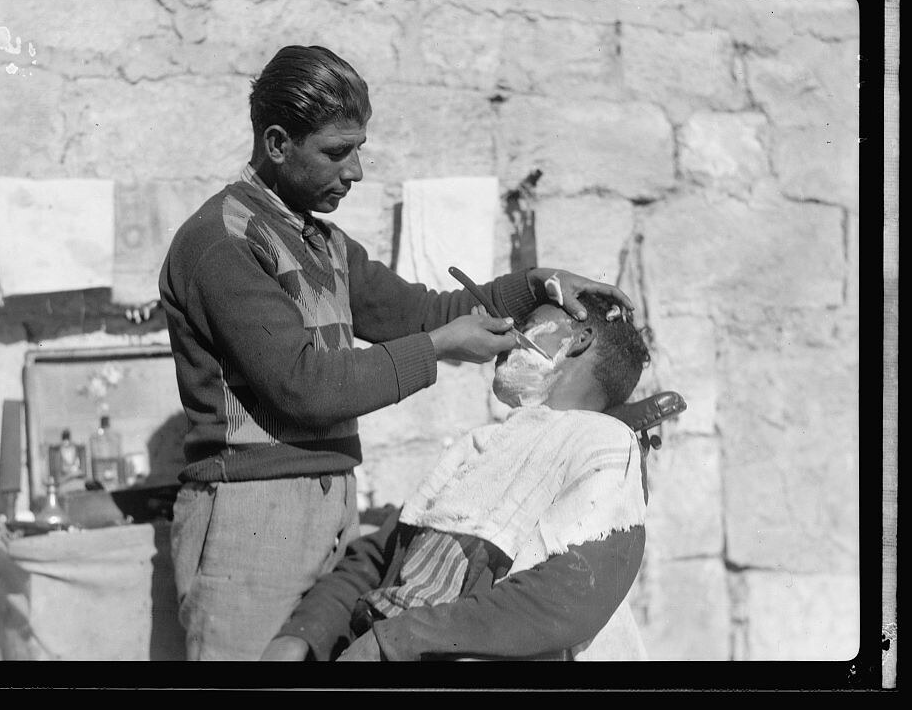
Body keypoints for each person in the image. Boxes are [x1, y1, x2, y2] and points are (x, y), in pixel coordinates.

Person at [158, 44, 635, 660]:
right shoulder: (220, 242)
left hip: (326, 507)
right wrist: (439, 349)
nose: (355, 171)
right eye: (336, 152)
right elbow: (306, 387)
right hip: (251, 522)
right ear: (277, 144)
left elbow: (423, 312)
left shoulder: (322, 242)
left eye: (359, 148)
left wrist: (538, 283)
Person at [260, 294, 652, 661]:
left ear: (578, 340)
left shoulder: (606, 444)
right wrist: (303, 635)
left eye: (528, 323)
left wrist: (390, 642)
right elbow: (380, 556)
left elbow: (566, 597)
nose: (506, 335)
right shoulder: (484, 443)